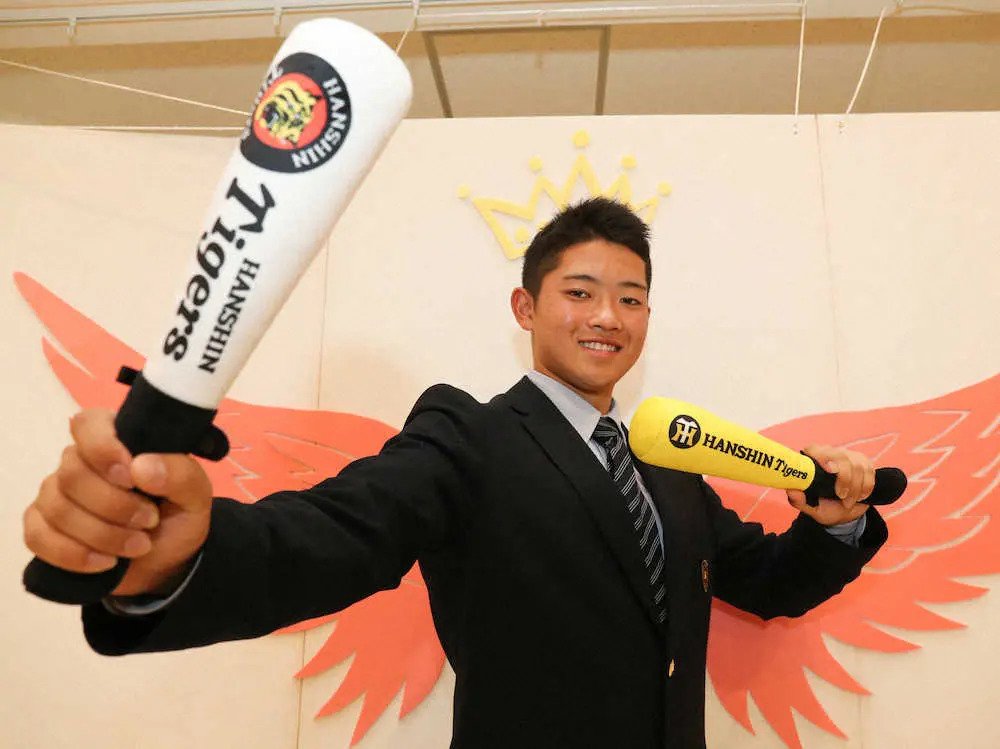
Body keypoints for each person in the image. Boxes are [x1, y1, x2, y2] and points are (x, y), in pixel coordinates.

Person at [23, 197, 886, 748]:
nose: (608, 316)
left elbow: (767, 581)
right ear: (526, 307)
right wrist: (186, 553)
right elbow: (347, 530)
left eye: (631, 298)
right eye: (580, 291)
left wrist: (835, 520)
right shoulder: (469, 435)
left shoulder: (667, 460)